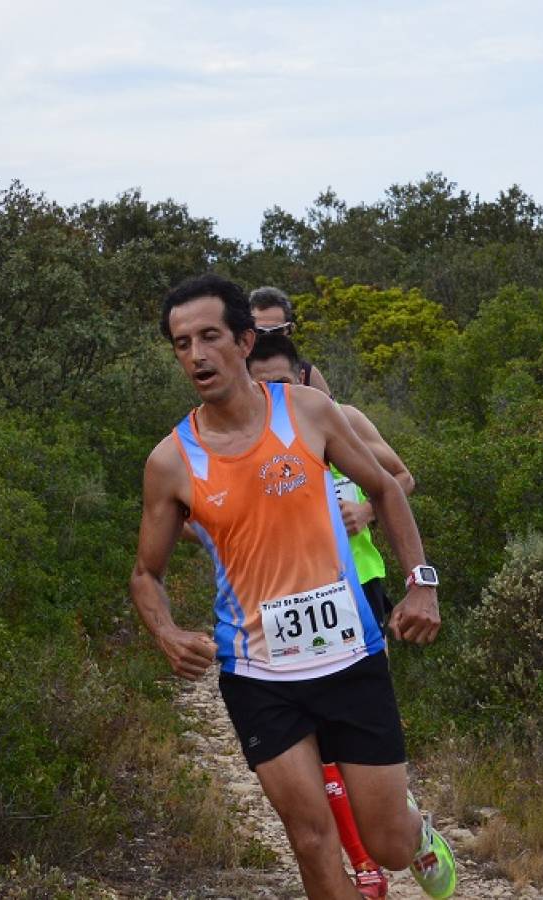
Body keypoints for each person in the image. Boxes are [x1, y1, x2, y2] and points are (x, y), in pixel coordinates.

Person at [130, 273, 457, 899]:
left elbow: (387, 487)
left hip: (350, 657)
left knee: (386, 843)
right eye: (181, 344)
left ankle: (414, 832)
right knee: (310, 839)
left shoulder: (307, 412)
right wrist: (166, 632)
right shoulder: (171, 461)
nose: (196, 355)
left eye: (209, 337)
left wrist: (422, 584)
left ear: (244, 340)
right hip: (258, 675)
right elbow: (146, 573)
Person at [249, 334, 415, 898]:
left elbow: (399, 479)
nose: (272, 393)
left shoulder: (340, 418)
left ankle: (400, 822)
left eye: (281, 380)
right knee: (313, 746)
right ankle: (363, 864)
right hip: (287, 598)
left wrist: (364, 511)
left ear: (302, 374)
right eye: (260, 382)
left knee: (352, 736)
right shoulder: (240, 440)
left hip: (358, 585)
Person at [249, 286, 332, 396]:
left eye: (276, 331)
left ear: (289, 330)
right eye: (259, 331)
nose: (268, 337)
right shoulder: (234, 371)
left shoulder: (308, 373)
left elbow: (331, 406)